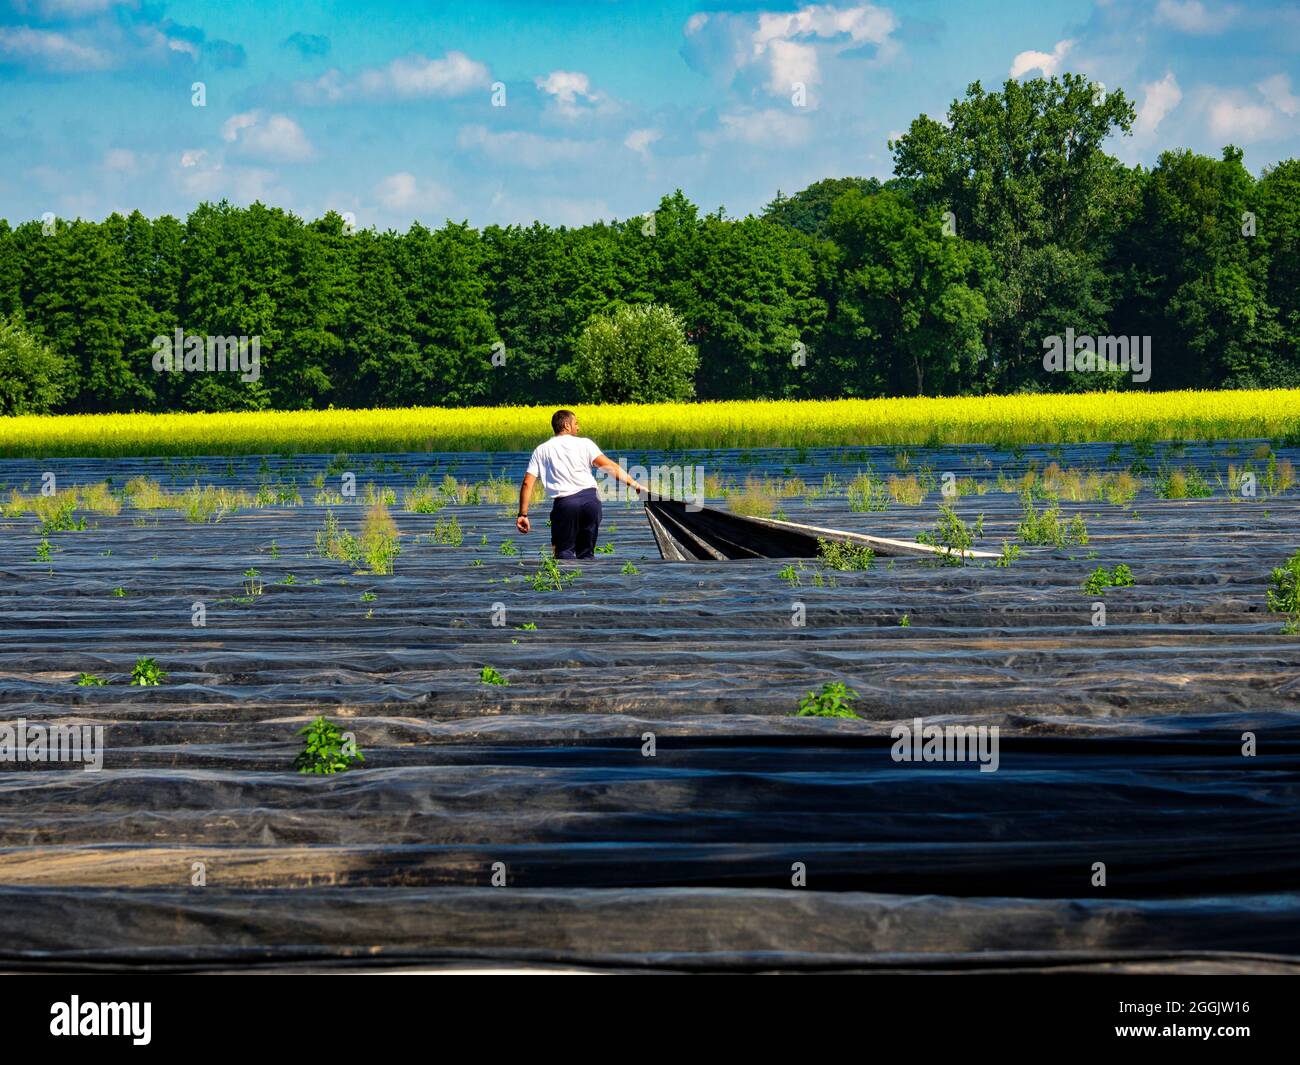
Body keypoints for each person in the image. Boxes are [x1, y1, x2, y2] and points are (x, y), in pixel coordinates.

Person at [517, 410, 648, 559]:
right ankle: (588, 581)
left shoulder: (541, 450)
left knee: (564, 554)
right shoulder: (585, 444)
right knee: (586, 555)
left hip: (565, 504)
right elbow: (610, 467)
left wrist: (523, 514)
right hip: (591, 502)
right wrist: (636, 485)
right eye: (576, 423)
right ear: (567, 425)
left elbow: (528, 483)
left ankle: (566, 582)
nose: (578, 427)